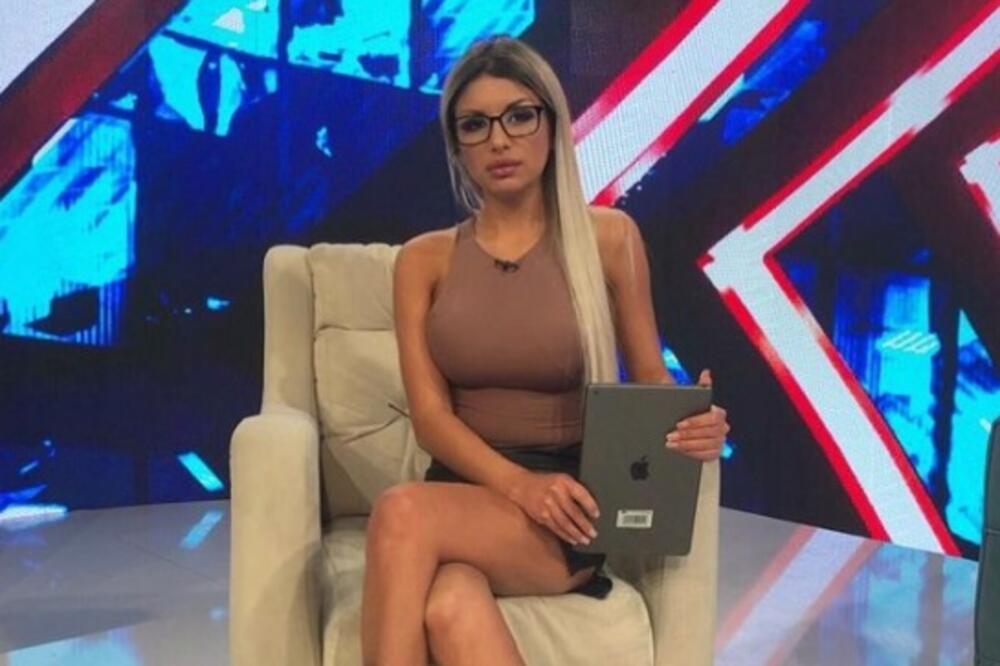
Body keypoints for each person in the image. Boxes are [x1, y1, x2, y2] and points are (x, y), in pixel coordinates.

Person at [361, 36, 730, 666]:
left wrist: (697, 422)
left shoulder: (608, 239)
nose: (499, 140)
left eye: (519, 116)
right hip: (462, 493)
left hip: (567, 509)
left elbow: (650, 381)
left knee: (400, 513)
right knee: (450, 604)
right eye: (475, 125)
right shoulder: (422, 259)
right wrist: (516, 486)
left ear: (552, 125)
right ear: (456, 145)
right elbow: (431, 419)